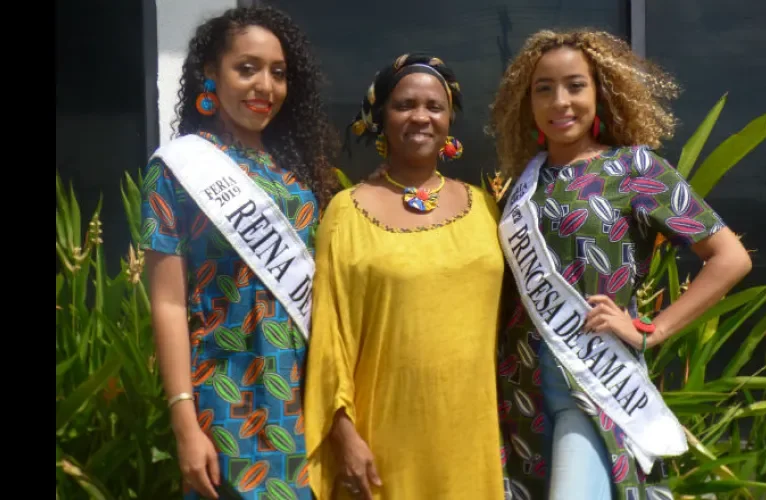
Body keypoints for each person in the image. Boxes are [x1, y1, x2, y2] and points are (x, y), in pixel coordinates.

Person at [488, 29, 753, 500]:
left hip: (592, 388)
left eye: (575, 85)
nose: (559, 101)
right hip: (518, 398)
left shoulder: (635, 169)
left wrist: (653, 329)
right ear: (526, 103)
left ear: (601, 92)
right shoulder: (518, 187)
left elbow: (730, 258)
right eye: (543, 89)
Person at [141, 6, 339, 499]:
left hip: (302, 389)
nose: (265, 87)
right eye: (246, 68)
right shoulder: (179, 168)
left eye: (278, 73)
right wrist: (185, 421)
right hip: (225, 391)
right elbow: (167, 302)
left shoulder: (295, 175)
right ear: (211, 73)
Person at [303, 53, 505, 499]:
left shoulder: (486, 210)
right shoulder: (346, 213)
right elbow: (329, 338)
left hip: (471, 442)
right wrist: (344, 436)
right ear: (381, 117)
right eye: (404, 105)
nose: (421, 116)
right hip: (382, 441)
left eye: (434, 106)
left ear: (450, 119)